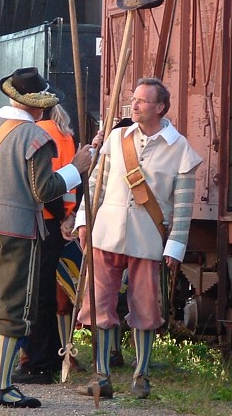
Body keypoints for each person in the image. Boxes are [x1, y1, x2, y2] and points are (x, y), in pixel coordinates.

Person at [0, 67, 91, 408]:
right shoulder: (35, 137)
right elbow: (43, 189)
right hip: (17, 228)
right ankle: (2, 385)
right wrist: (76, 168)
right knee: (14, 306)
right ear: (38, 105)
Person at [75, 77, 201, 399]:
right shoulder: (116, 139)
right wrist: (83, 221)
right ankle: (101, 376)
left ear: (160, 107)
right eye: (134, 99)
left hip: (147, 239)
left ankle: (141, 376)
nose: (136, 104)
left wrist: (175, 245)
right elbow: (95, 185)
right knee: (99, 306)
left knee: (146, 310)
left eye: (143, 100)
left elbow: (184, 206)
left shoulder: (180, 149)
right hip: (106, 232)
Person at [12, 100, 80, 385]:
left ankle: (38, 362)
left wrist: (53, 214)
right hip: (60, 218)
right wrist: (69, 216)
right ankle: (50, 355)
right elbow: (70, 180)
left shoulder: (39, 131)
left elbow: (44, 183)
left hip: (42, 217)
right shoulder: (66, 134)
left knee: (36, 293)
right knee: (47, 292)